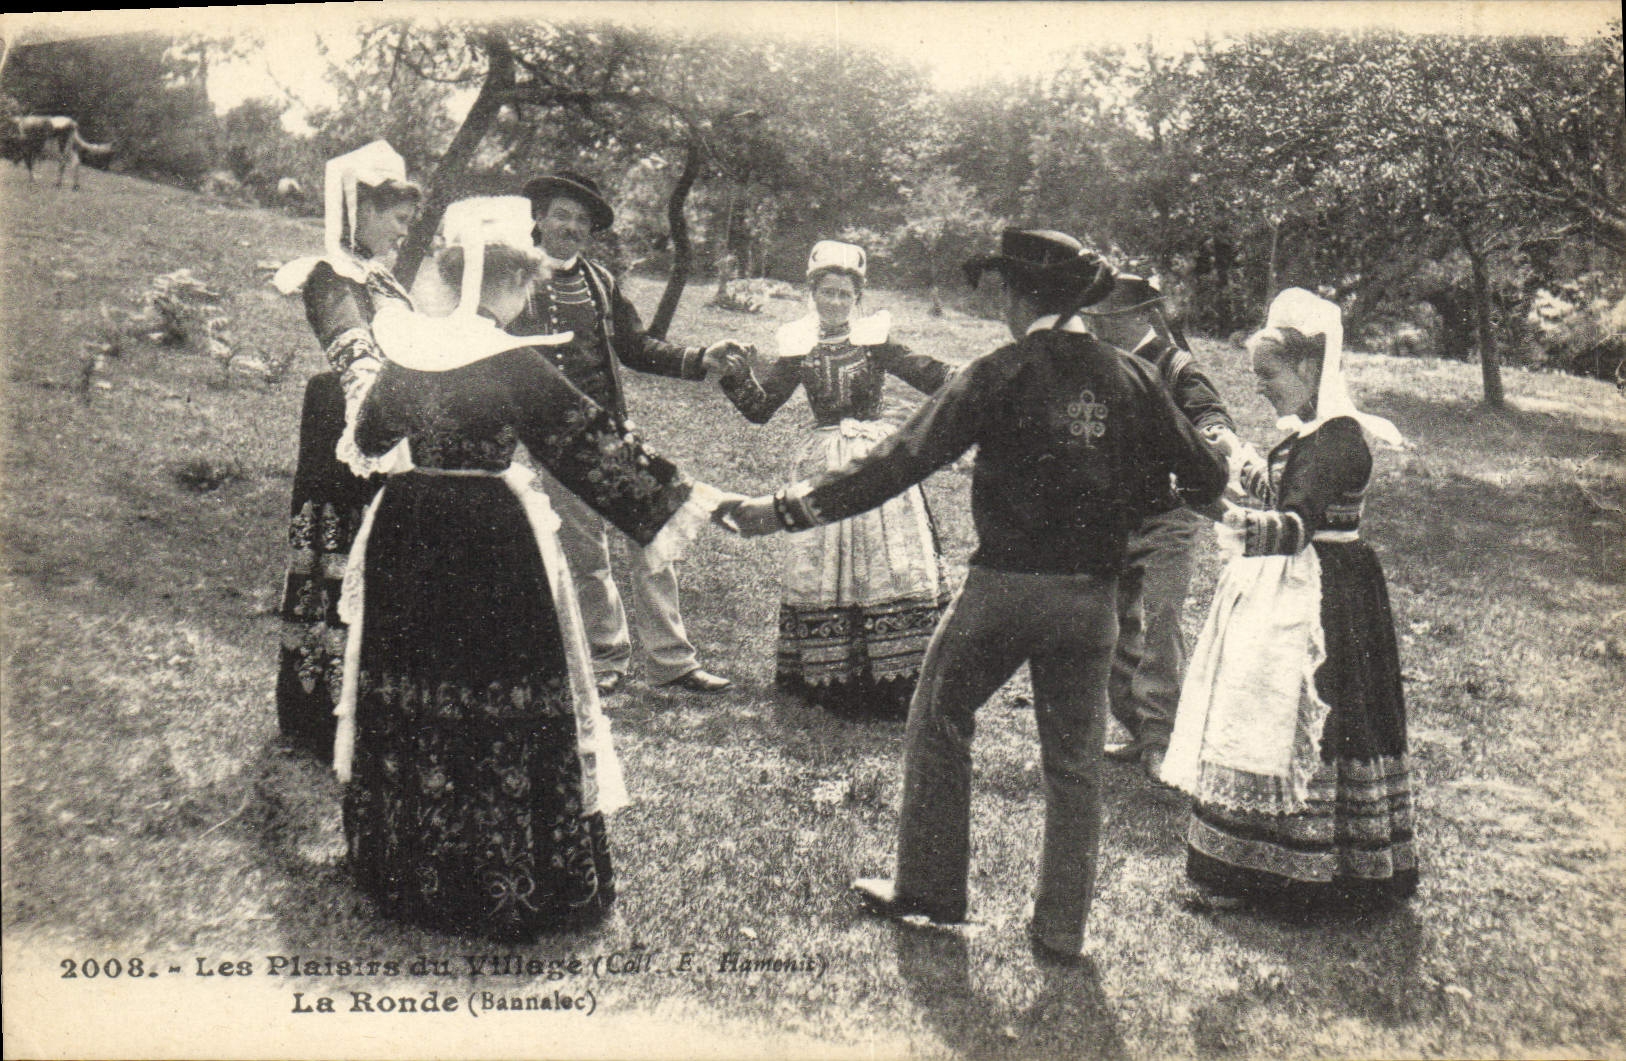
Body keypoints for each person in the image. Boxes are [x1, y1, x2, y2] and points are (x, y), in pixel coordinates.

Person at [724, 229, 1228, 961]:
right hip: (1092, 602)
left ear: (1022, 294)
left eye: (1000, 288)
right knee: (1075, 761)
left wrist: (788, 508)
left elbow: (899, 458)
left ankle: (929, 890)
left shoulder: (1001, 369)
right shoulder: (1133, 377)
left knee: (938, 715)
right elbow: (1205, 474)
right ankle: (1061, 930)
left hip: (1002, 593)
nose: (996, 301)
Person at [334, 197, 736, 939]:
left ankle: (406, 856)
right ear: (512, 285)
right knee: (498, 684)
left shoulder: (411, 351)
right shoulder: (514, 362)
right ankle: (501, 867)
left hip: (408, 525)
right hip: (488, 534)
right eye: (526, 286)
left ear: (453, 280)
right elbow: (594, 449)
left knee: (418, 679)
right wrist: (689, 501)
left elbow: (369, 432)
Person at [1160, 288, 1417, 914]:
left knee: (1300, 715)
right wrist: (1235, 465)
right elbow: (1284, 486)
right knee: (1267, 715)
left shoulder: (1338, 439)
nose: (1263, 389)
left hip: (1324, 596)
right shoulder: (1316, 433)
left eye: (1269, 375)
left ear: (1308, 368)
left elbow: (1296, 523)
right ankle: (1280, 865)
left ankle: (1298, 872)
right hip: (1311, 583)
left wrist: (1218, 510)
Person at [507, 171, 745, 696]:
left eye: (582, 222)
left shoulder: (600, 281)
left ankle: (672, 661)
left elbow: (635, 347)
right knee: (586, 553)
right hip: (555, 444)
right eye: (562, 215)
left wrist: (698, 358)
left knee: (655, 536)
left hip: (613, 436)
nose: (571, 227)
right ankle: (605, 656)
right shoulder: (510, 278)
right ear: (539, 219)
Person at [717, 240, 955, 718]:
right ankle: (830, 675)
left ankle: (896, 675)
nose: (835, 303)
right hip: (823, 458)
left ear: (858, 298)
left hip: (872, 457)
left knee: (886, 560)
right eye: (827, 293)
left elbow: (929, 374)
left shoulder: (874, 339)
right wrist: (733, 375)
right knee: (824, 561)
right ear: (813, 294)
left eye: (845, 294)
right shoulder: (798, 347)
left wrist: (979, 381)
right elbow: (760, 409)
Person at [270, 141, 420, 761]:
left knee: (379, 559)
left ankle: (369, 702)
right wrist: (390, 422)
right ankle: (318, 711)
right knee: (338, 559)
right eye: (391, 213)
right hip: (348, 428)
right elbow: (354, 354)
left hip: (383, 420)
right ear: (353, 211)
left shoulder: (380, 277)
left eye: (407, 216)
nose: (402, 226)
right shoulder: (330, 274)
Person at [1077, 275, 1245, 783]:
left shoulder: (1176, 365)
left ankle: (1162, 738)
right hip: (1110, 516)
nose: (1094, 328)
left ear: (1141, 318)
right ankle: (1135, 729)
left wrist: (1215, 434)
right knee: (1112, 624)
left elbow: (1211, 414)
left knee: (1161, 623)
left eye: (1103, 321)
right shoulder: (1099, 363)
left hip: (1167, 517)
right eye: (1091, 320)